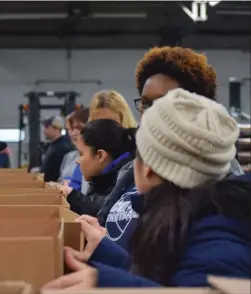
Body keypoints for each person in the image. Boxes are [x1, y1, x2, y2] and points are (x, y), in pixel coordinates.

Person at [42, 88, 251, 290]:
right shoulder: (196, 219)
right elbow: (168, 284)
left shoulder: (215, 245)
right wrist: (106, 252)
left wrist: (114, 285)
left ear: (148, 169)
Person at [98, 46, 244, 249]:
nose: (150, 113)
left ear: (195, 108)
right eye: (146, 103)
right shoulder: (133, 168)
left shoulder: (217, 175)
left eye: (164, 103)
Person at [63, 119, 136, 216]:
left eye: (81, 154)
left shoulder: (126, 190)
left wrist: (73, 197)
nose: (77, 161)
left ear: (100, 155)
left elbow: (104, 221)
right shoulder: (100, 181)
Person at [69, 91, 137, 194]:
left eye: (111, 122)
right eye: (99, 122)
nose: (104, 129)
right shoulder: (87, 157)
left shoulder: (134, 158)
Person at [59, 108, 89, 188]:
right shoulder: (68, 157)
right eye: (70, 129)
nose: (73, 133)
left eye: (78, 128)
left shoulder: (95, 158)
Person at [40, 115, 73, 182]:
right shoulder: (53, 145)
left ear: (56, 128)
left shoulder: (63, 147)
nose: (44, 130)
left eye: (47, 127)